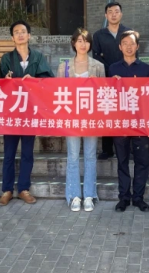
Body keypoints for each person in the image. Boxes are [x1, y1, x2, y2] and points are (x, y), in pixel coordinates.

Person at [0, 20, 54, 205]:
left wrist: (35, 80)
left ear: (29, 35)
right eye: (16, 32)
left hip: (30, 111)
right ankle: (7, 190)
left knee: (28, 153)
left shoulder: (38, 57)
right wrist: (6, 79)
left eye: (23, 31)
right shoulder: (6, 58)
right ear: (12, 37)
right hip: (12, 112)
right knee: (9, 153)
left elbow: (48, 79)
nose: (20, 34)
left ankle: (23, 189)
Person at [57, 28, 105, 212]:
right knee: (73, 156)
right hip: (72, 118)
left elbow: (104, 94)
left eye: (86, 40)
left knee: (91, 156)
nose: (83, 44)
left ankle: (90, 195)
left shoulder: (98, 66)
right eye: (79, 40)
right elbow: (57, 93)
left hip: (91, 117)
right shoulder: (64, 67)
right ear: (73, 43)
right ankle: (74, 195)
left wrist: (97, 84)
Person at [109, 30, 149, 212]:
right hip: (120, 123)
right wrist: (112, 83)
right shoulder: (113, 69)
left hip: (140, 123)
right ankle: (124, 198)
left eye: (132, 43)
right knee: (122, 161)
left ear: (137, 46)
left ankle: (138, 198)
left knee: (142, 162)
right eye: (125, 43)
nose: (129, 47)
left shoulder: (146, 69)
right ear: (120, 47)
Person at [92, 2, 131, 160]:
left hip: (126, 79)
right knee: (107, 112)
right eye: (110, 12)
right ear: (105, 15)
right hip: (107, 79)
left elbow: (132, 53)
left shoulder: (128, 33)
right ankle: (107, 149)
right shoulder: (98, 35)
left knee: (126, 113)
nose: (113, 14)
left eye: (116, 11)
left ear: (121, 14)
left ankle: (128, 148)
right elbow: (96, 57)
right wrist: (111, 72)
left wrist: (122, 71)